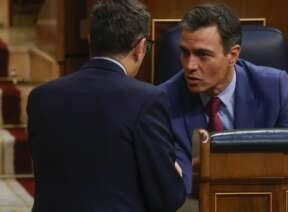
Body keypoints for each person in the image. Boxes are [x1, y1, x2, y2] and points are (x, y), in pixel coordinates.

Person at [27, 0, 186, 211]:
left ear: (91, 39)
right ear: (140, 47)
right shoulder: (147, 100)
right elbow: (169, 198)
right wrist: (174, 173)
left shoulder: (41, 97)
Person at [159, 3, 288, 198]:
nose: (190, 65)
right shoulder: (164, 101)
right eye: (185, 52)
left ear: (233, 55)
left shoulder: (275, 89)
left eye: (203, 55)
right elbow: (180, 185)